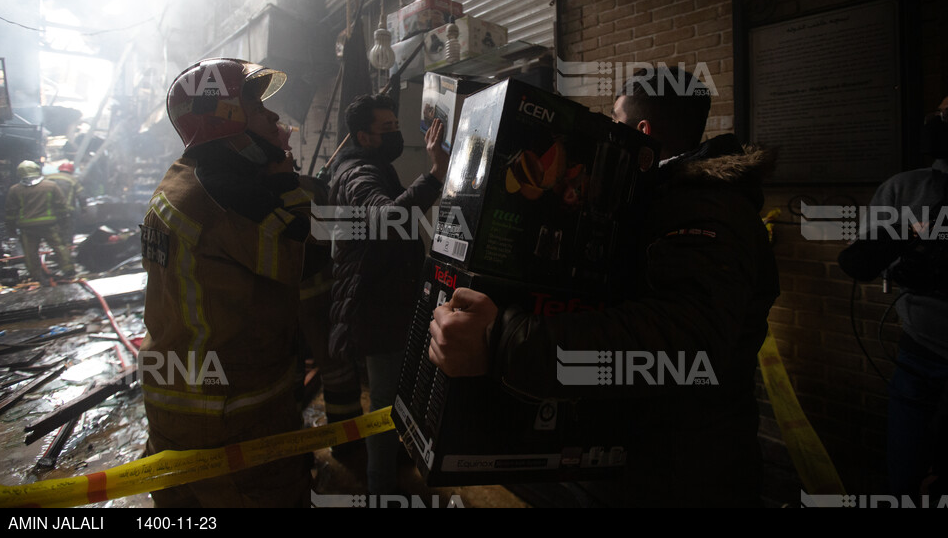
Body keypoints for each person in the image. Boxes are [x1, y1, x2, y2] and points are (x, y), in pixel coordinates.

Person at [429, 67, 780, 506]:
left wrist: (503, 341)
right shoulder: (661, 197)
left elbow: (686, 345)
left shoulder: (708, 209)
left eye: (616, 121)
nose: (609, 133)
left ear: (642, 132)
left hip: (685, 475)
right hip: (637, 459)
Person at [140, 58, 327, 508]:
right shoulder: (226, 196)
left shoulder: (186, 178)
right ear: (226, 120)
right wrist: (288, 185)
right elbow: (302, 254)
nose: (274, 118)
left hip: (181, 409)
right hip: (229, 422)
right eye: (258, 107)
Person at [328, 94, 448, 494]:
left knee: (390, 396)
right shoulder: (357, 172)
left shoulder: (374, 165)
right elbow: (389, 220)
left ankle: (387, 464)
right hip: (375, 304)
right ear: (363, 136)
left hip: (386, 301)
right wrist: (434, 174)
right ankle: (380, 486)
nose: (396, 135)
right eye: (387, 129)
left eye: (397, 126)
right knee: (383, 400)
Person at [838, 95, 948, 498]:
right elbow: (863, 260)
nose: (940, 122)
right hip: (920, 355)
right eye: (940, 114)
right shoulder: (908, 188)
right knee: (906, 478)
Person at [5, 160, 75, 283]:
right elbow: (61, 207)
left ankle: (37, 276)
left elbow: (11, 212)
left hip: (27, 228)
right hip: (49, 225)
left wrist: (11, 230)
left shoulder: (14, 190)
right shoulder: (50, 186)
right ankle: (68, 271)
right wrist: (64, 224)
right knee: (59, 246)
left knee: (30, 252)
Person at [45, 162, 87, 242]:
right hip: (66, 210)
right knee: (67, 232)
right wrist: (84, 209)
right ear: (71, 171)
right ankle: (66, 247)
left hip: (48, 210)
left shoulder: (48, 177)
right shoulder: (73, 180)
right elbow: (81, 196)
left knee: (51, 232)